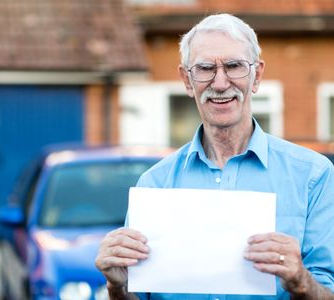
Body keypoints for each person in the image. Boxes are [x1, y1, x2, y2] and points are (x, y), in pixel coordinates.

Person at [95, 13, 334, 299]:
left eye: (234, 66)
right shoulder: (155, 184)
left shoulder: (313, 176)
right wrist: (117, 286)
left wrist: (301, 280)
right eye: (205, 68)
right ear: (187, 80)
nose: (220, 83)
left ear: (256, 75)